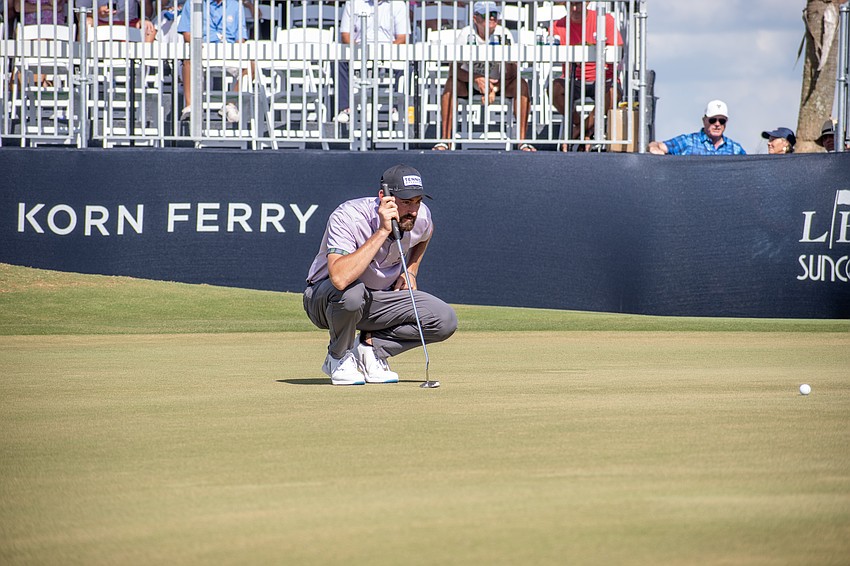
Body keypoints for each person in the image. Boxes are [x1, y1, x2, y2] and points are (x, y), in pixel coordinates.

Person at [303, 164, 457, 386]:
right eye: (405, 202)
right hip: (325, 300)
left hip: (377, 301)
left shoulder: (420, 216)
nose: (413, 210)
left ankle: (370, 348)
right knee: (352, 292)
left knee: (444, 319)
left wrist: (411, 271)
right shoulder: (349, 215)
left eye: (417, 201)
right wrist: (383, 230)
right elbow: (339, 278)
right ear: (384, 197)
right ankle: (337, 358)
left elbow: (425, 236)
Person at [433, 1, 535, 151]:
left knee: (522, 85)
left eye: (494, 14)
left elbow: (514, 70)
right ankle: (445, 140)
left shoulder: (504, 34)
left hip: (499, 83)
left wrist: (493, 87)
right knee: (450, 85)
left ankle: (522, 141)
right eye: (487, 15)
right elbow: (453, 70)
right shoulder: (466, 34)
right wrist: (476, 78)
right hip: (469, 84)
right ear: (476, 18)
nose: (492, 18)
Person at [551, 0, 623, 151]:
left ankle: (576, 132)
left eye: (579, 4)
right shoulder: (558, 26)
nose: (575, 9)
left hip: (603, 79)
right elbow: (551, 52)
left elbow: (618, 51)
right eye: (571, 4)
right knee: (554, 90)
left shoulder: (605, 20)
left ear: (588, 3)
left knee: (613, 93)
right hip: (573, 79)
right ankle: (584, 130)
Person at [334, 0, 409, 125]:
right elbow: (345, 35)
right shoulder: (353, 3)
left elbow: (402, 37)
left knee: (406, 65)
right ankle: (346, 108)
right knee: (338, 61)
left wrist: (386, 52)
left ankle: (397, 108)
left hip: (389, 51)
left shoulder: (398, 4)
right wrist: (357, 49)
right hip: (359, 51)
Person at [177, 0, 252, 123]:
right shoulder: (192, 3)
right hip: (202, 49)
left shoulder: (235, 5)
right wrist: (196, 44)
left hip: (229, 51)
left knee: (251, 65)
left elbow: (241, 37)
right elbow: (187, 33)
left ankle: (230, 104)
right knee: (188, 59)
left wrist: (236, 52)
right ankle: (190, 106)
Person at [648, 99, 746, 155]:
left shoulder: (735, 149)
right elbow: (657, 145)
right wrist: (654, 148)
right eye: (712, 120)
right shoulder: (688, 142)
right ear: (704, 121)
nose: (717, 124)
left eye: (721, 120)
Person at [80, 0, 157, 42]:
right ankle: (83, 64)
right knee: (85, 22)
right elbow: (80, 13)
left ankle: (143, 67)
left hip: (130, 23)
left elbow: (146, 4)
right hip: (100, 23)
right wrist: (97, 13)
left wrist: (145, 18)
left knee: (149, 28)